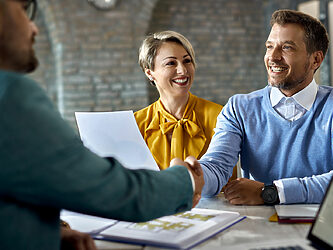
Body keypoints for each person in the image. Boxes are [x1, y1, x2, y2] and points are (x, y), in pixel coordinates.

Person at [0, 0, 203, 249]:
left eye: (187, 60)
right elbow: (117, 192)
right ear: (149, 72)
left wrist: (46, 233)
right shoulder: (9, 97)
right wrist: (185, 180)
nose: (34, 28)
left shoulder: (219, 114)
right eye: (23, 10)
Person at [197, 9, 333, 205]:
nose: (273, 56)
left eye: (287, 48)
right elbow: (216, 167)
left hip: (320, 230)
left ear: (316, 60)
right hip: (256, 229)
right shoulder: (239, 108)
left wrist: (270, 192)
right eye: (269, 46)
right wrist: (192, 177)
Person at [135, 31, 223, 170]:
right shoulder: (137, 124)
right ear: (149, 73)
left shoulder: (220, 117)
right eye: (171, 63)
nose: (182, 70)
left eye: (187, 61)